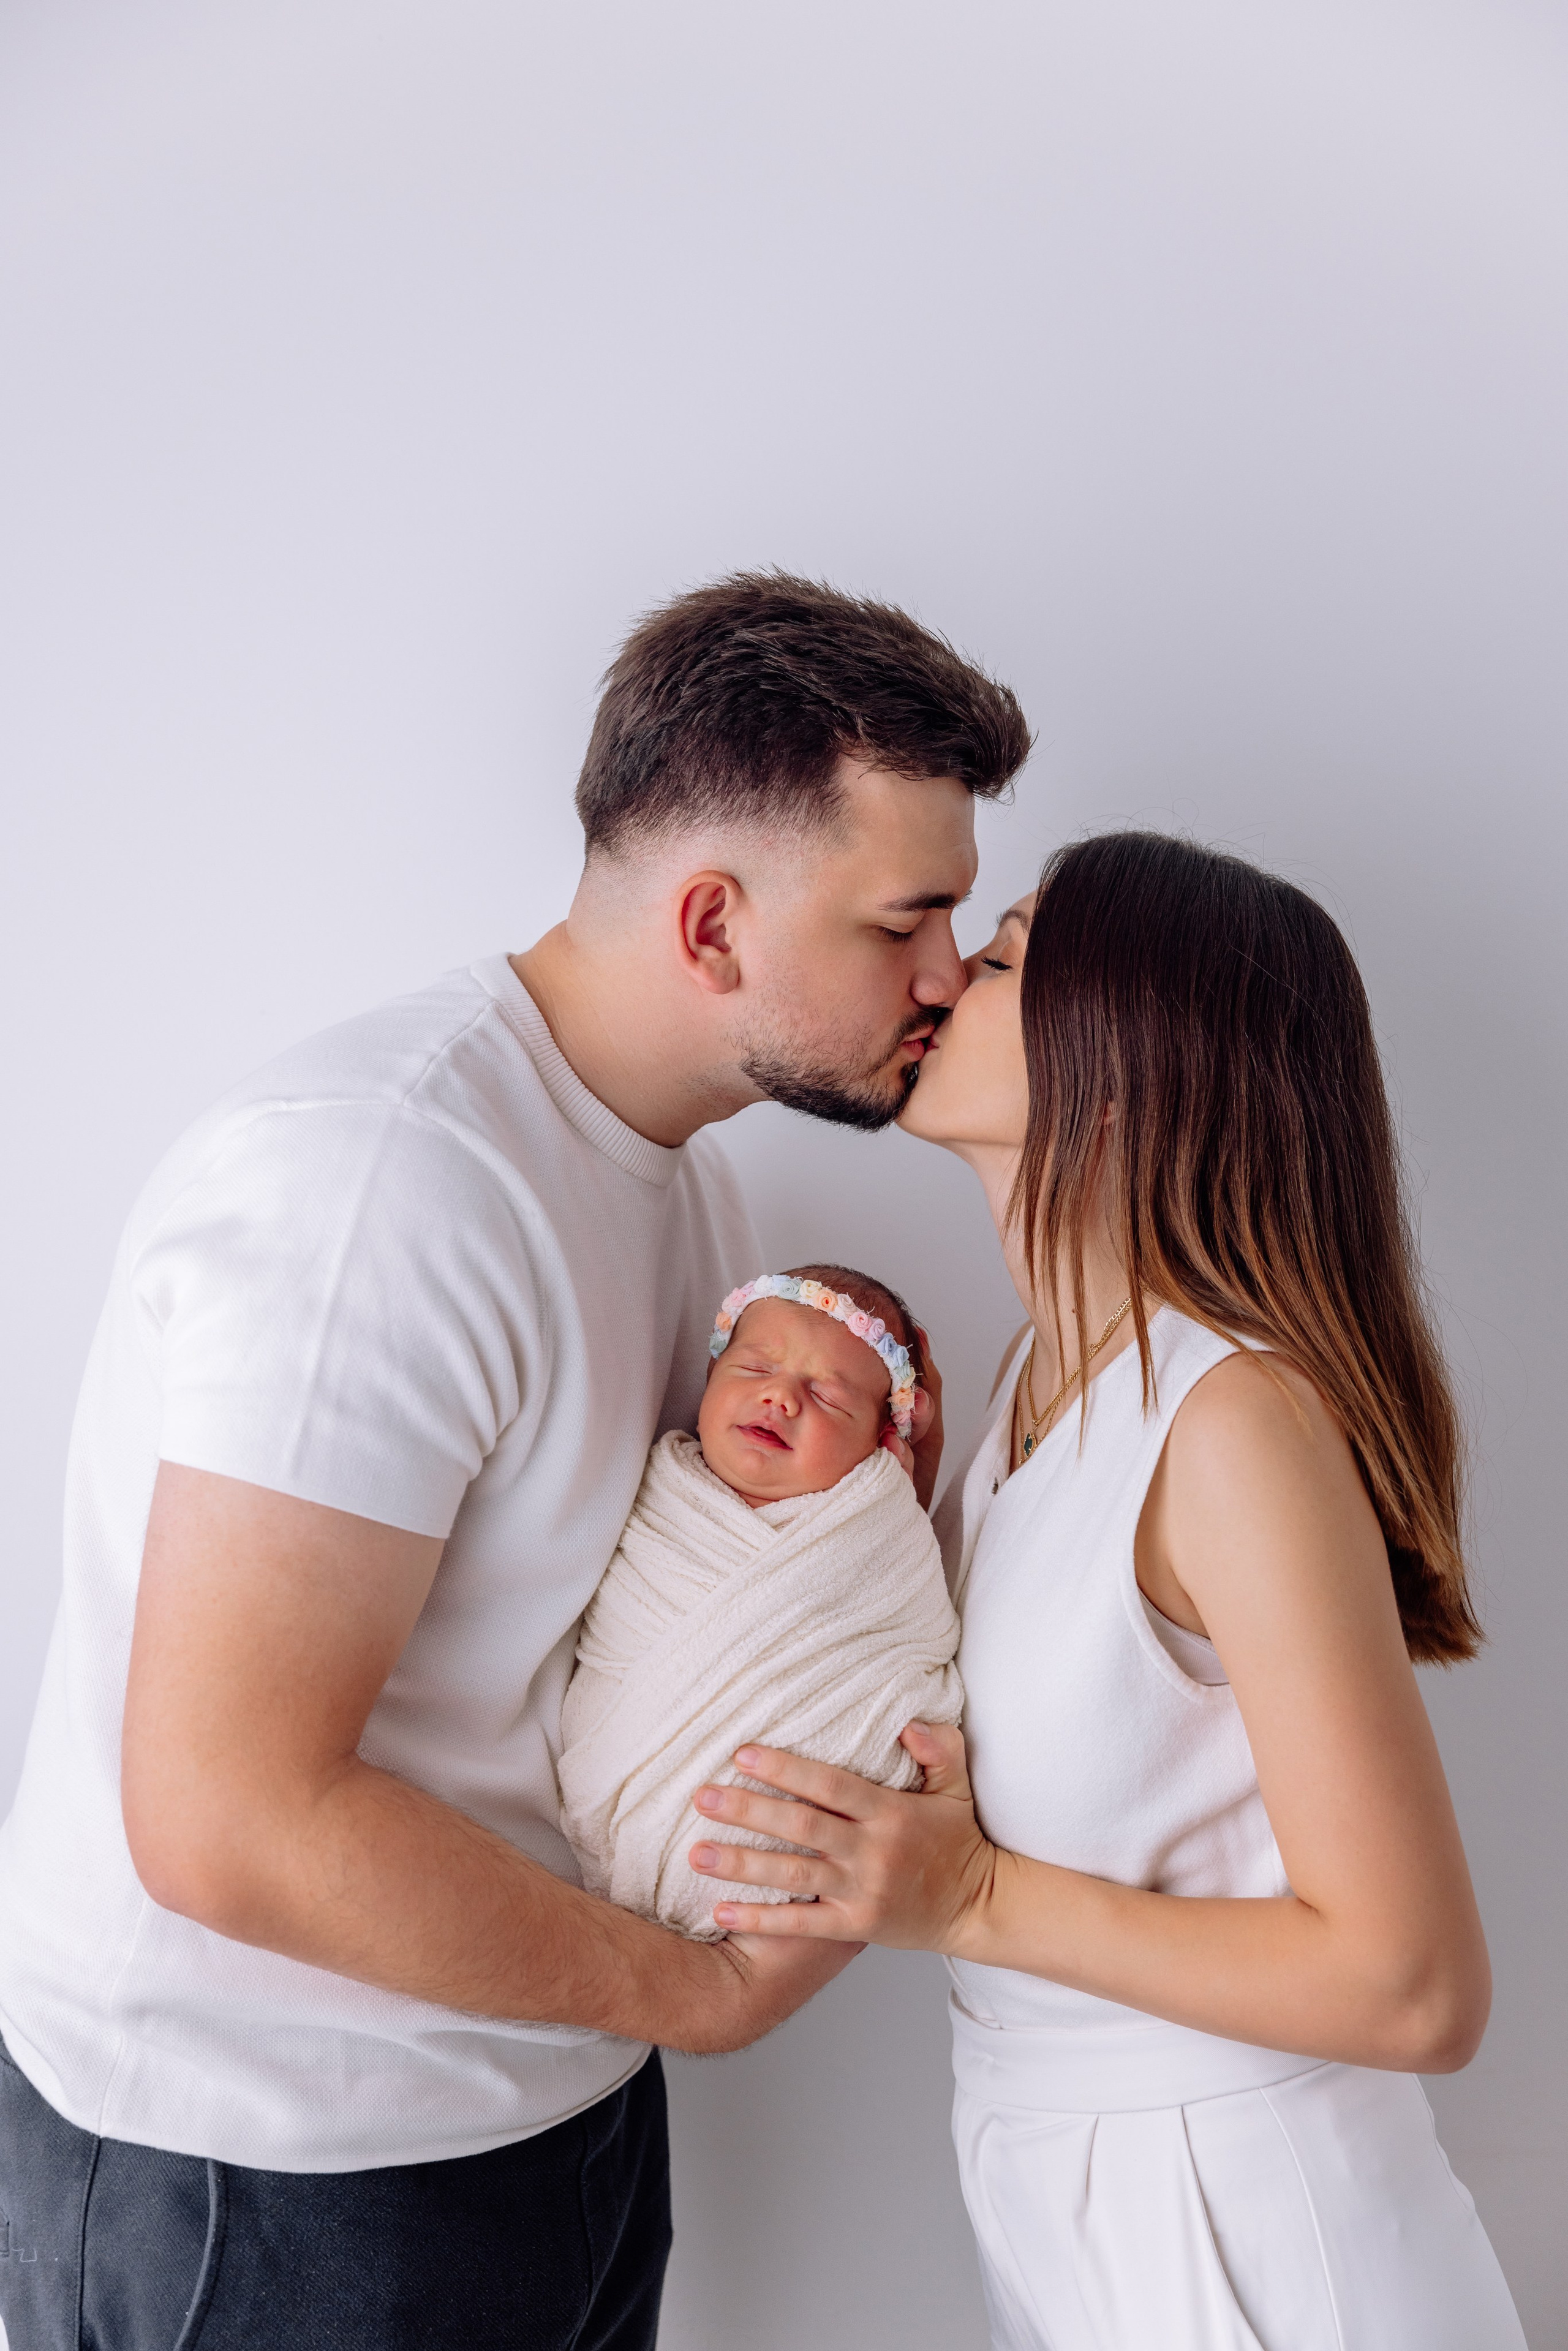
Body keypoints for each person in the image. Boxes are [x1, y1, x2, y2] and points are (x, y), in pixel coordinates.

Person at [0, 573, 1030, 2351]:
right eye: (907, 920)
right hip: (274, 2173)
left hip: (540, 2100)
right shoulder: (384, 1184)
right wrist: (703, 1993)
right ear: (714, 922)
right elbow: (226, 1813)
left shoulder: (681, 1181)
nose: (951, 975)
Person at [687, 831, 1527, 2349]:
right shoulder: (1029, 1392)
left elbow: (1415, 1989)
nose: (939, 978)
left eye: (1001, 958)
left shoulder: (1229, 1426)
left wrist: (974, 1896)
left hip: (1249, 2235)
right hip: (1059, 2195)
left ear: (1126, 1067)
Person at [557, 1264, 963, 1939]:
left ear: (881, 1445)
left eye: (829, 1398)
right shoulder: (662, 1494)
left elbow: (901, 1648)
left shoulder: (878, 1536)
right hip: (609, 1798)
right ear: (708, 1382)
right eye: (753, 1369)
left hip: (779, 1861)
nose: (780, 1398)